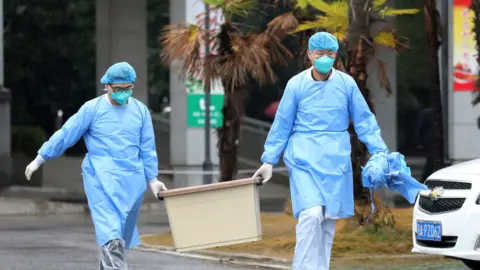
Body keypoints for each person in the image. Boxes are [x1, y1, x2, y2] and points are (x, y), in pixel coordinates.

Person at [252, 32, 390, 270]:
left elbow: (364, 120)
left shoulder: (346, 84)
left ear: (336, 56)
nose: (325, 58)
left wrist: (380, 152)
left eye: (330, 54)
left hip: (335, 160)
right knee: (311, 214)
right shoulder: (296, 85)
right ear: (309, 55)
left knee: (327, 221)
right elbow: (282, 124)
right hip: (303, 158)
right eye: (320, 53)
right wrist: (268, 161)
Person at [24, 62, 168, 269]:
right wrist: (41, 157)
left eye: (127, 89)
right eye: (118, 89)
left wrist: (152, 179)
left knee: (119, 235)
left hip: (131, 180)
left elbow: (147, 147)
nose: (123, 93)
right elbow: (67, 134)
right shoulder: (92, 109)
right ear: (107, 86)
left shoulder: (141, 111)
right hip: (100, 177)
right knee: (110, 234)